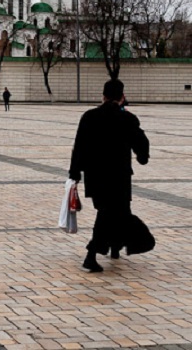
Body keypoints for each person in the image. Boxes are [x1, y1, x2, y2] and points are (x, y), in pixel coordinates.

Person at [69, 78, 150, 273]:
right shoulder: (128, 119)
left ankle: (114, 248)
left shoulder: (89, 117)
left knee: (107, 211)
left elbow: (79, 147)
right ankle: (92, 254)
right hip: (119, 178)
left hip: (95, 177)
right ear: (122, 97)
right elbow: (141, 144)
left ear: (103, 96)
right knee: (112, 213)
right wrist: (142, 157)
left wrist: (75, 173)